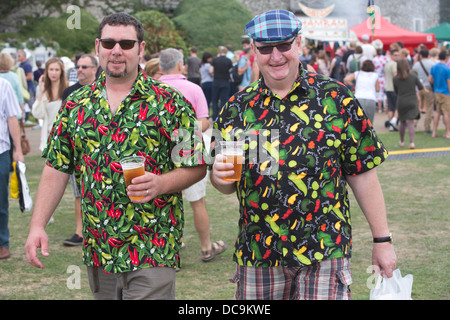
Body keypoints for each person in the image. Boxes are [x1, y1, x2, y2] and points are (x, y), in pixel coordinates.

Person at [210, 9, 396, 300]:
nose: (276, 56)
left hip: (325, 249)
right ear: (253, 51)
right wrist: (218, 177)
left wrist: (382, 240)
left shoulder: (336, 98)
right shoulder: (237, 108)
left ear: (299, 44)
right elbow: (225, 183)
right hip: (259, 253)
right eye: (266, 48)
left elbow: (362, 173)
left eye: (284, 45)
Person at [24, 12, 206, 300]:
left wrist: (160, 184)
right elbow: (55, 169)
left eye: (126, 43)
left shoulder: (171, 103)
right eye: (109, 43)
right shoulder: (76, 105)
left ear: (141, 49)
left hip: (152, 245)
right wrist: (37, 226)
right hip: (99, 249)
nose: (117, 50)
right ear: (98, 47)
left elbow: (195, 166)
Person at [159, 48, 227, 262]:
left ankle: (170, 251)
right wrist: (184, 128)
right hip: (189, 144)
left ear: (160, 66)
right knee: (197, 202)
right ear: (181, 65)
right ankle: (206, 248)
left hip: (159, 150)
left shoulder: (153, 89)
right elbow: (204, 122)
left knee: (163, 200)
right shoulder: (193, 88)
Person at [61, 54, 99, 246]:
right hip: (77, 152)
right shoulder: (69, 92)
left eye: (85, 66)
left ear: (95, 68)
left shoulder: (102, 89)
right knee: (78, 193)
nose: (80, 70)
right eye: (78, 67)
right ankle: (80, 232)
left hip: (100, 151)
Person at [0, 77, 24, 260]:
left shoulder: (4, 85)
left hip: (1, 151)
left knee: (1, 201)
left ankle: (2, 243)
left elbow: (12, 118)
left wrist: (17, 149)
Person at [32, 57, 68, 152]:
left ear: (61, 72)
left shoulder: (69, 87)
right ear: (46, 71)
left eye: (57, 70)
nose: (54, 73)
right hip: (49, 134)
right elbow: (37, 114)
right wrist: (41, 92)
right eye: (51, 69)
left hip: (65, 135)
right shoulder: (44, 91)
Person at [393, 59, 424, 149]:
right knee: (410, 122)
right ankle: (412, 142)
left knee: (402, 121)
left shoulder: (395, 78)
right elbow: (421, 87)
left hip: (401, 100)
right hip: (412, 100)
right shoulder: (413, 76)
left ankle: (402, 141)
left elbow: (396, 91)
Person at [412, 48, 436, 133]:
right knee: (429, 108)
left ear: (420, 55)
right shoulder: (432, 64)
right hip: (429, 88)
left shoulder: (417, 64)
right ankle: (427, 128)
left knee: (418, 107)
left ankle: (414, 124)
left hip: (419, 88)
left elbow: (413, 75)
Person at [429, 50, 450, 138]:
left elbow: (429, 79)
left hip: (436, 91)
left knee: (437, 112)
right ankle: (448, 132)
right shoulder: (447, 68)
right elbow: (449, 83)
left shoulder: (434, 67)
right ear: (446, 57)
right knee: (446, 113)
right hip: (445, 92)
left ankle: (434, 132)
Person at [210, 46, 233, 120]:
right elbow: (231, 71)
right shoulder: (229, 61)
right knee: (224, 100)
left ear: (220, 52)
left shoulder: (215, 60)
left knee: (215, 100)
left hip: (216, 81)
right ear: (226, 53)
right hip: (225, 82)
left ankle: (214, 117)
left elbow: (210, 71)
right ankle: (222, 116)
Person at [384, 48, 400, 130]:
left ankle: (391, 125)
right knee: (397, 107)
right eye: (395, 55)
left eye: (398, 55)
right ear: (391, 56)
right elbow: (395, 75)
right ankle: (393, 122)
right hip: (394, 88)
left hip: (388, 88)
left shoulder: (387, 64)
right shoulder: (394, 64)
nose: (397, 57)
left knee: (390, 108)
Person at [17, 50, 35, 122]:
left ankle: (37, 120)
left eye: (19, 56)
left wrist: (20, 78)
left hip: (29, 88)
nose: (18, 57)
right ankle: (26, 119)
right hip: (23, 88)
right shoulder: (20, 65)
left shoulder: (27, 65)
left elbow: (30, 77)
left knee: (32, 104)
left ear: (24, 56)